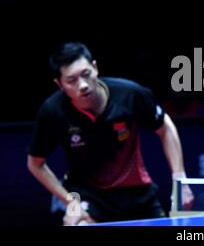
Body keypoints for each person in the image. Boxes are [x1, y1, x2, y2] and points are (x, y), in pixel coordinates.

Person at [27, 42, 194, 225]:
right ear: (59, 84)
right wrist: (70, 202)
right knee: (76, 224)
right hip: (87, 195)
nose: (82, 85)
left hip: (137, 193)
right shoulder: (52, 111)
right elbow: (35, 164)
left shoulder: (129, 94)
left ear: (95, 68)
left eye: (86, 74)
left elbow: (166, 127)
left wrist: (180, 182)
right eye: (72, 80)